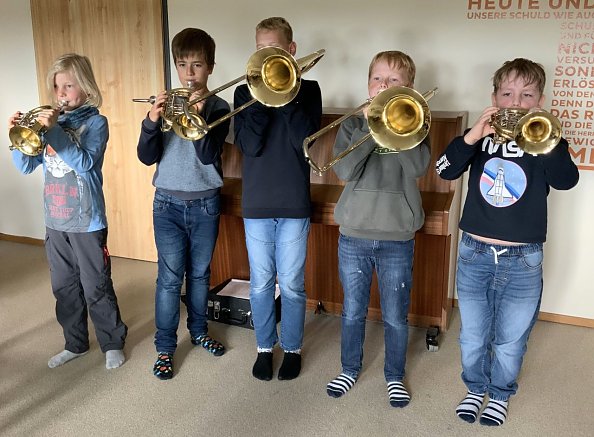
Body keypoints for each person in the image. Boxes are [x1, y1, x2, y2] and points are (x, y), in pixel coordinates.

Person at [436, 58, 579, 426]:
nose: (517, 103)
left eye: (527, 95)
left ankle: (499, 393)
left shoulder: (547, 139)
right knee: (472, 335)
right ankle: (474, 387)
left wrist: (547, 143)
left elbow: (566, 181)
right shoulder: (478, 138)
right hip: (474, 252)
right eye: (508, 94)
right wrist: (472, 137)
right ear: (494, 98)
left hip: (523, 258)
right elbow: (443, 170)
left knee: (510, 339)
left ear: (540, 101)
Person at [324, 51, 430, 407]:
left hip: (396, 237)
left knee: (396, 315)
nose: (384, 85)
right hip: (354, 233)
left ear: (409, 88)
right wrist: (373, 127)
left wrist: (398, 125)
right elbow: (345, 171)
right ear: (368, 84)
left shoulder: (417, 122)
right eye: (377, 79)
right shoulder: (353, 125)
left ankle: (394, 375)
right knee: (353, 310)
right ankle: (349, 368)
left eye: (394, 80)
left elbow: (416, 167)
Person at [10, 53, 128, 370]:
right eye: (56, 86)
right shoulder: (51, 126)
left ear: (86, 88)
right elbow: (24, 168)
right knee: (64, 288)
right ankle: (74, 343)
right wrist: (20, 139)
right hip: (55, 222)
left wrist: (54, 133)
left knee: (96, 286)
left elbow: (86, 163)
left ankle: (112, 342)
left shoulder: (96, 123)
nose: (61, 93)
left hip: (87, 223)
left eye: (69, 85)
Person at [137, 28, 231, 380]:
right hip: (167, 204)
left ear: (210, 68)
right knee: (169, 278)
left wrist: (201, 117)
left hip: (205, 203)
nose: (189, 73)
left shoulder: (219, 106)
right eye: (182, 65)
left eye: (197, 65)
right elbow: (146, 157)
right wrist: (152, 122)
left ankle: (199, 332)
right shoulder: (167, 103)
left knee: (201, 274)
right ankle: (165, 347)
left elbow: (207, 156)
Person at [233, 16, 322, 381]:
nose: (267, 56)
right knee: (260, 282)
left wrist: (284, 89)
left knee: (293, 283)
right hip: (256, 203)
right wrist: (260, 95)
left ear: (291, 50)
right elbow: (250, 145)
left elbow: (302, 140)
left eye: (274, 49)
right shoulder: (243, 94)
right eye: (260, 50)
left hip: (293, 203)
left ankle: (294, 348)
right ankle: (265, 347)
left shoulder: (310, 89)